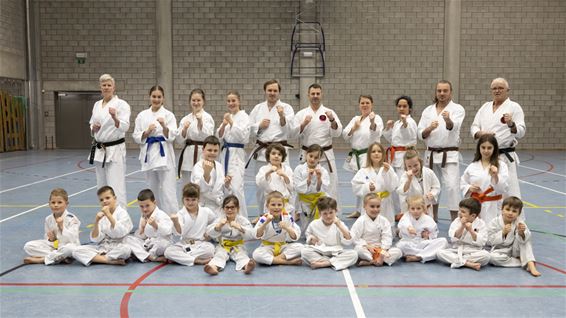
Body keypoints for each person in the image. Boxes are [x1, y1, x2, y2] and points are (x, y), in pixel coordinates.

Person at [417, 80, 465, 221]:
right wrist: (429, 128)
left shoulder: (457, 109)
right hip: (430, 154)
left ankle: (455, 219)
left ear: (451, 92)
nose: (442, 93)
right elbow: (420, 133)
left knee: (451, 186)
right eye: (439, 91)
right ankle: (432, 216)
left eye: (445, 90)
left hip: (448, 154)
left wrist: (448, 120)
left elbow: (453, 127)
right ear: (436, 92)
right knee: (431, 185)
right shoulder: (428, 110)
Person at [471, 77, 526, 199]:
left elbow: (521, 132)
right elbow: (474, 126)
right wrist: (480, 133)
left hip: (504, 155)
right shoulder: (485, 107)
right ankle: (486, 217)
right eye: (494, 88)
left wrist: (511, 124)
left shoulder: (514, 107)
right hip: (485, 155)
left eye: (500, 88)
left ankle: (513, 218)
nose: (497, 91)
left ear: (507, 90)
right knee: (485, 187)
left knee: (508, 189)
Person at [248, 80, 295, 213]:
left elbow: (290, 129)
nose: (272, 93)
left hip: (280, 151)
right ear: (265, 91)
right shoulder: (258, 108)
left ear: (279, 92)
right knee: (261, 184)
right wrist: (259, 126)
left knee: (285, 181)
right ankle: (262, 214)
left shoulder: (287, 108)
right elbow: (249, 128)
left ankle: (286, 212)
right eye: (270, 90)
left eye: (275, 90)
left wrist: (282, 116)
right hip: (263, 151)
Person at [132, 85, 178, 214]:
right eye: (154, 96)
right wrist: (146, 132)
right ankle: (153, 219)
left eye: (159, 97)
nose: (156, 99)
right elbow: (136, 136)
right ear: (149, 97)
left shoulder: (169, 115)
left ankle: (173, 220)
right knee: (152, 189)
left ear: (163, 98)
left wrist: (164, 126)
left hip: (165, 156)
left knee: (169, 190)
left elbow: (173, 135)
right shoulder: (142, 115)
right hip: (149, 155)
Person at [294, 83, 343, 200]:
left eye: (317, 94)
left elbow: (337, 132)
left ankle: (331, 211)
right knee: (305, 181)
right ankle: (304, 210)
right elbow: (293, 133)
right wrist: (304, 123)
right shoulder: (301, 114)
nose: (315, 96)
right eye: (313, 94)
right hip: (307, 155)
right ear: (308, 95)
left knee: (330, 183)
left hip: (325, 154)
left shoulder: (329, 112)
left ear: (322, 95)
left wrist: (332, 120)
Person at [88, 74, 130, 208]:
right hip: (100, 149)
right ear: (100, 87)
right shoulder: (96, 105)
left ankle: (121, 219)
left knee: (116, 185)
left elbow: (125, 126)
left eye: (109, 85)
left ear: (114, 87)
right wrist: (93, 127)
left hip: (115, 149)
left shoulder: (121, 104)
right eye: (104, 85)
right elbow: (92, 123)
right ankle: (106, 216)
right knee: (102, 186)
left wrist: (115, 117)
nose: (106, 87)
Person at [342, 95, 382, 218]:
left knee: (369, 184)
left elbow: (376, 133)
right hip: (356, 156)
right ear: (359, 105)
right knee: (359, 183)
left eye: (367, 103)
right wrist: (354, 128)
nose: (365, 105)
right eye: (362, 103)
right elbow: (345, 135)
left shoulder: (376, 118)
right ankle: (358, 210)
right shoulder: (356, 119)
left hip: (368, 156)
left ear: (372, 104)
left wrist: (372, 122)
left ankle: (369, 210)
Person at [73, 186, 133, 266]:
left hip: (118, 246)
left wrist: (109, 215)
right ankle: (107, 260)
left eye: (107, 198)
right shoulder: (101, 216)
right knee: (76, 251)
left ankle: (99, 258)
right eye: (101, 200)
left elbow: (120, 233)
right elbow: (95, 239)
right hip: (103, 248)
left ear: (115, 198)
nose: (104, 201)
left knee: (126, 250)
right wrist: (96, 221)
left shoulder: (122, 213)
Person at [460, 134, 509, 225]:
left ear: (494, 149)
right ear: (479, 148)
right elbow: (463, 183)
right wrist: (469, 188)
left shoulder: (501, 165)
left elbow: (503, 188)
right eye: (483, 147)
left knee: (491, 231)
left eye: (489, 148)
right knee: (476, 231)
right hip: (475, 205)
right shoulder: (472, 166)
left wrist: (496, 175)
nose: (486, 151)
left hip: (493, 205)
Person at [23, 188, 81, 265]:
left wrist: (61, 226)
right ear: (49, 204)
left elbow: (72, 239)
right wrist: (51, 239)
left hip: (68, 246)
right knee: (28, 246)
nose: (56, 205)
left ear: (66, 204)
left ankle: (43, 259)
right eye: (53, 202)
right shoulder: (48, 219)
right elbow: (48, 239)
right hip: (55, 247)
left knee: (71, 249)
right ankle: (60, 257)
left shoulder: (72, 218)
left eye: (59, 202)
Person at [164, 183, 216, 266]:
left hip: (201, 244)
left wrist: (209, 233)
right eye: (187, 199)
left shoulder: (206, 211)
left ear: (198, 199)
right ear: (183, 200)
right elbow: (178, 233)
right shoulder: (180, 214)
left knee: (210, 250)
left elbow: (214, 222)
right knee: (168, 252)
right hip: (185, 244)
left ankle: (183, 258)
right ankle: (197, 260)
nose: (190, 203)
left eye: (193, 199)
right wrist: (175, 222)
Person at [487, 196, 541, 277]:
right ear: (502, 210)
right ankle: (522, 261)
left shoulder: (519, 222)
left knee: (525, 241)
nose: (510, 213)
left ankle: (530, 264)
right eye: (507, 209)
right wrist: (502, 233)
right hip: (501, 250)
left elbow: (527, 237)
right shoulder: (495, 222)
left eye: (514, 211)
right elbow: (489, 240)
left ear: (518, 214)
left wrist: (522, 233)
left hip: (515, 249)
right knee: (492, 258)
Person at [217, 90, 250, 217]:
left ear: (239, 101)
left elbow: (243, 137)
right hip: (225, 153)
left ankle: (242, 219)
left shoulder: (244, 117)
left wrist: (231, 122)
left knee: (236, 188)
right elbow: (219, 137)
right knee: (225, 186)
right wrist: (223, 126)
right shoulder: (228, 117)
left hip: (236, 154)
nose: (231, 103)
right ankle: (228, 217)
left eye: (233, 100)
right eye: (229, 101)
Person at [301, 197, 358, 270]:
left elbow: (348, 240)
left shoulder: (340, 224)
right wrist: (311, 239)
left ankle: (325, 263)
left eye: (331, 212)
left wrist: (340, 226)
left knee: (354, 254)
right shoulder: (314, 224)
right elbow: (308, 235)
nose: (328, 216)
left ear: (336, 211)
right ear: (320, 212)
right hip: (320, 251)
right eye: (325, 213)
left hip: (336, 252)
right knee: (304, 251)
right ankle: (333, 262)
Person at [204, 195, 256, 275]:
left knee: (241, 256)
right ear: (223, 209)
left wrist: (240, 228)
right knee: (219, 255)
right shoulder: (220, 220)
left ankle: (247, 266)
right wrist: (218, 227)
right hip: (223, 245)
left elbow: (252, 234)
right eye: (227, 207)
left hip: (238, 245)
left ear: (237, 208)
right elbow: (209, 232)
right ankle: (213, 267)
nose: (229, 210)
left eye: (232, 207)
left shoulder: (242, 220)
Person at [436, 198, 490, 271]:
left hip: (473, 251)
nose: (459, 213)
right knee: (439, 253)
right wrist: (462, 226)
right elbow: (453, 238)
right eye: (459, 210)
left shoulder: (481, 224)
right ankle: (467, 263)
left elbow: (482, 242)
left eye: (463, 212)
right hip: (457, 249)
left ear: (473, 216)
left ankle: (459, 261)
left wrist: (471, 231)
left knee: (486, 256)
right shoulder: (456, 221)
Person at [351, 142, 399, 224]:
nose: (376, 153)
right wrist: (367, 187)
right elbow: (355, 186)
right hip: (370, 203)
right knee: (369, 228)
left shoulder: (388, 168)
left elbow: (393, 186)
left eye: (379, 151)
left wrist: (386, 174)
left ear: (383, 154)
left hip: (385, 203)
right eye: (373, 152)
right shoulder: (363, 171)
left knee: (385, 228)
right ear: (369, 154)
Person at [350, 193, 402, 267]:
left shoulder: (384, 220)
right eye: (372, 206)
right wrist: (366, 245)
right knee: (358, 250)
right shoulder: (361, 221)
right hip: (367, 249)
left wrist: (382, 250)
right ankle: (375, 261)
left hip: (380, 249)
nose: (375, 209)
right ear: (364, 206)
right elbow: (354, 237)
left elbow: (387, 237)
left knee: (398, 252)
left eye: (378, 206)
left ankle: (370, 262)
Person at [252, 191, 303, 266]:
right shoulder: (264, 218)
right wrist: (266, 223)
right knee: (256, 254)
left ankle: (275, 260)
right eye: (273, 205)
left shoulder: (287, 217)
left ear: (283, 206)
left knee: (301, 247)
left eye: (279, 205)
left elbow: (295, 236)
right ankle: (287, 262)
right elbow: (257, 235)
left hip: (283, 246)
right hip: (268, 247)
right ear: (267, 206)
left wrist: (287, 228)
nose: (276, 207)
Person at [176, 88, 215, 186]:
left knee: (201, 184)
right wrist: (184, 130)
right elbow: (179, 140)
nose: (196, 103)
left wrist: (200, 123)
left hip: (202, 153)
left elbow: (209, 137)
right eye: (193, 100)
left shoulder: (207, 117)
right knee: (187, 185)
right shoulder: (185, 119)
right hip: (188, 155)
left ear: (203, 102)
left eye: (198, 100)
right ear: (190, 101)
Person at [124, 189, 173, 262]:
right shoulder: (144, 216)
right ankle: (151, 257)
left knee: (164, 244)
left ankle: (140, 254)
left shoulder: (161, 215)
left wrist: (156, 225)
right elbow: (141, 237)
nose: (144, 209)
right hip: (147, 245)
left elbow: (168, 231)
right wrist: (142, 229)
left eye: (147, 205)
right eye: (141, 206)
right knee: (127, 239)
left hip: (159, 244)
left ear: (154, 203)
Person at [396, 196, 447, 263]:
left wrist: (428, 236)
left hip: (423, 243)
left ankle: (418, 257)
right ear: (409, 209)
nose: (415, 211)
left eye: (418, 208)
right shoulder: (406, 216)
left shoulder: (428, 219)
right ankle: (427, 254)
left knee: (443, 241)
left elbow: (434, 233)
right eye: (412, 209)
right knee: (400, 246)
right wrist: (409, 228)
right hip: (409, 243)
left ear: (423, 208)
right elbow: (403, 224)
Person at [293, 143, 330, 233]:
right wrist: (308, 179)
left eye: (316, 157)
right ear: (306, 155)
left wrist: (319, 179)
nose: (312, 159)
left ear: (319, 159)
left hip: (319, 201)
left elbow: (323, 189)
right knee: (306, 231)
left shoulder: (323, 171)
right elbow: (297, 188)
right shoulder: (299, 169)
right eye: (311, 156)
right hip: (305, 202)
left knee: (318, 227)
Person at [396, 149, 440, 221]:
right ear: (405, 167)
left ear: (420, 162)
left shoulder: (428, 172)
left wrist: (432, 193)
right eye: (409, 166)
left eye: (415, 165)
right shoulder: (405, 176)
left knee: (427, 229)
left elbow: (436, 186)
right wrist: (409, 180)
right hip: (412, 211)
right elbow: (402, 191)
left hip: (427, 209)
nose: (413, 168)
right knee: (412, 230)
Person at [383, 95, 418, 177]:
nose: (401, 108)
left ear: (410, 108)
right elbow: (392, 140)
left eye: (404, 106)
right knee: (396, 182)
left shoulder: (411, 122)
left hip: (406, 155)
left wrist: (405, 124)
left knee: (404, 180)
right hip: (395, 155)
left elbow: (409, 136)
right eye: (399, 106)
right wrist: (388, 128)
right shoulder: (397, 123)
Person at [255, 143, 294, 216]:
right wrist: (268, 173)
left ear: (282, 157)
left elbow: (292, 188)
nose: (276, 156)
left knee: (286, 225)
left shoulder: (287, 169)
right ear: (268, 156)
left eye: (279, 154)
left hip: (285, 205)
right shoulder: (264, 169)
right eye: (273, 153)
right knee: (270, 225)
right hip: (271, 206)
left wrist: (285, 176)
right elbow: (260, 184)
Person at [191, 135, 227, 214]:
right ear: (203, 150)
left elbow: (222, 189)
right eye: (209, 150)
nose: (212, 153)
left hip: (219, 206)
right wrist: (206, 173)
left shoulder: (219, 166)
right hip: (203, 207)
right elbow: (198, 189)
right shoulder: (198, 166)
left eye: (215, 150)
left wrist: (227, 184)